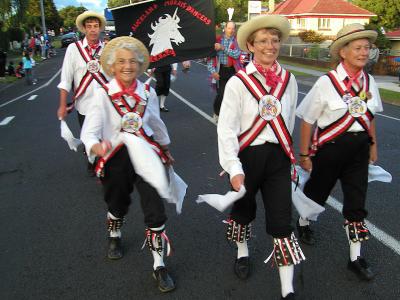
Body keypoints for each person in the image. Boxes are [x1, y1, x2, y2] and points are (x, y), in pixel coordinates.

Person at [217, 15, 304, 299]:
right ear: (251, 45)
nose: (271, 45)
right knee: (243, 211)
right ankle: (242, 252)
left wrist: (289, 157)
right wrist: (232, 167)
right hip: (247, 158)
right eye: (264, 41)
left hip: (278, 158)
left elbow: (288, 119)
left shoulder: (289, 79)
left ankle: (287, 289)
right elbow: (227, 129)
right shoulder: (238, 83)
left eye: (275, 40)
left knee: (282, 219)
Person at [80, 36, 176, 293]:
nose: (127, 66)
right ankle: (115, 234)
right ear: (112, 67)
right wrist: (95, 146)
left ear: (140, 65)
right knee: (117, 203)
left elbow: (155, 123)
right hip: (116, 157)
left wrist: (165, 147)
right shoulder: (102, 95)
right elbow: (89, 131)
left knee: (155, 208)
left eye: (133, 61)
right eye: (121, 61)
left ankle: (159, 265)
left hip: (146, 153)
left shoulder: (148, 92)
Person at [296, 24, 383, 281]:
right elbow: (307, 120)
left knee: (356, 203)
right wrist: (304, 155)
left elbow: (371, 116)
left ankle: (356, 258)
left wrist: (374, 144)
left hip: (358, 151)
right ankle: (304, 221)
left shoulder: (369, 81)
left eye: (367, 47)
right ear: (343, 52)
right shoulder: (327, 83)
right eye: (358, 47)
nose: (364, 52)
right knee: (316, 195)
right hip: (329, 150)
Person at [57, 11, 108, 175]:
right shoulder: (73, 49)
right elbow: (66, 78)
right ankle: (92, 157)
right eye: (89, 26)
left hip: (106, 103)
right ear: (84, 29)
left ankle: (102, 165)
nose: (93, 30)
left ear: (100, 28)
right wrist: (62, 105)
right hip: (84, 105)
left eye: (95, 26)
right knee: (89, 136)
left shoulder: (108, 49)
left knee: (105, 135)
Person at [207, 21, 241, 121]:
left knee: (232, 94)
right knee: (221, 94)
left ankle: (228, 115)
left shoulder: (236, 41)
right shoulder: (217, 40)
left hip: (233, 70)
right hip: (220, 69)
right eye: (229, 28)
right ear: (225, 28)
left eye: (233, 28)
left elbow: (236, 54)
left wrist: (223, 48)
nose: (231, 30)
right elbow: (210, 57)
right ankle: (217, 112)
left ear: (235, 30)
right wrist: (213, 71)